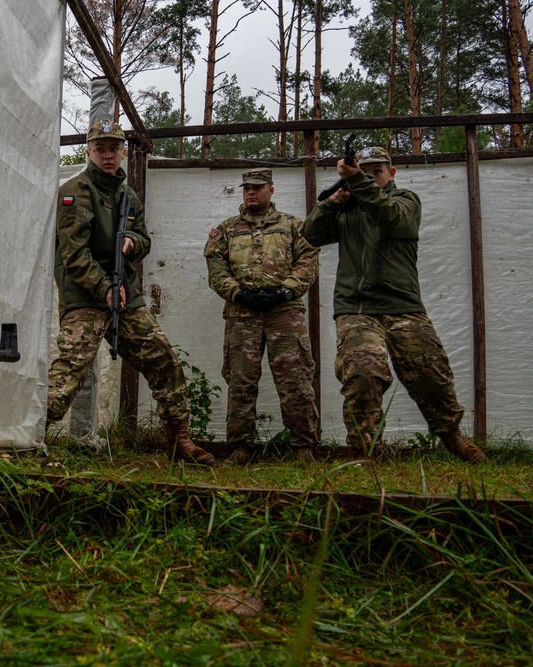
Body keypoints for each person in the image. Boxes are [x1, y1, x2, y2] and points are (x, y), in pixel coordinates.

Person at [302, 147, 486, 462]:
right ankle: (365, 449)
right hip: (356, 307)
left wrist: (357, 180)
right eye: (366, 170)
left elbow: (389, 214)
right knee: (362, 371)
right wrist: (329, 204)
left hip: (403, 305)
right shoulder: (347, 208)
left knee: (430, 374)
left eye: (377, 170)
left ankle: (452, 436)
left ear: (392, 173)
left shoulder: (407, 201)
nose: (372, 175)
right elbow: (310, 235)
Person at [46, 120, 214, 465]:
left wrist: (132, 241)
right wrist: (105, 287)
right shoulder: (74, 191)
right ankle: (29, 438)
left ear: (123, 152)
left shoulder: (128, 194)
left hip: (126, 295)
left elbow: (144, 238)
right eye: (101, 148)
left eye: (114, 148)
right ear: (89, 151)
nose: (108, 155)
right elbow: (73, 254)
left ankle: (179, 441)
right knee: (69, 373)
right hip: (85, 296)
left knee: (165, 361)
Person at [204, 168, 321, 465]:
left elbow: (307, 262)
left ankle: (304, 448)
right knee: (241, 382)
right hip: (242, 315)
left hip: (284, 314)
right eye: (247, 188)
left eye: (257, 187)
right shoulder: (227, 229)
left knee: (295, 381)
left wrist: (285, 291)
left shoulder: (293, 225)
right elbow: (216, 268)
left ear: (271, 189)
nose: (251, 192)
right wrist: (238, 293)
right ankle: (240, 448)